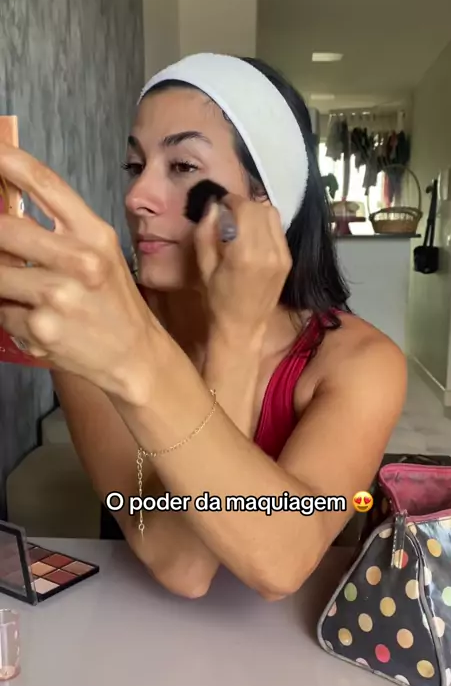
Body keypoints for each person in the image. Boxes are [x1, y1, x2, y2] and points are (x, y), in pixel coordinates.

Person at [0, 53, 407, 601]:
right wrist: (192, 345)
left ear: (265, 200)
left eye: (183, 167)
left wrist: (233, 335)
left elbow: (281, 559)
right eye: (135, 166)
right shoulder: (93, 330)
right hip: (135, 630)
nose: (136, 197)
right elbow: (181, 561)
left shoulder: (361, 365)